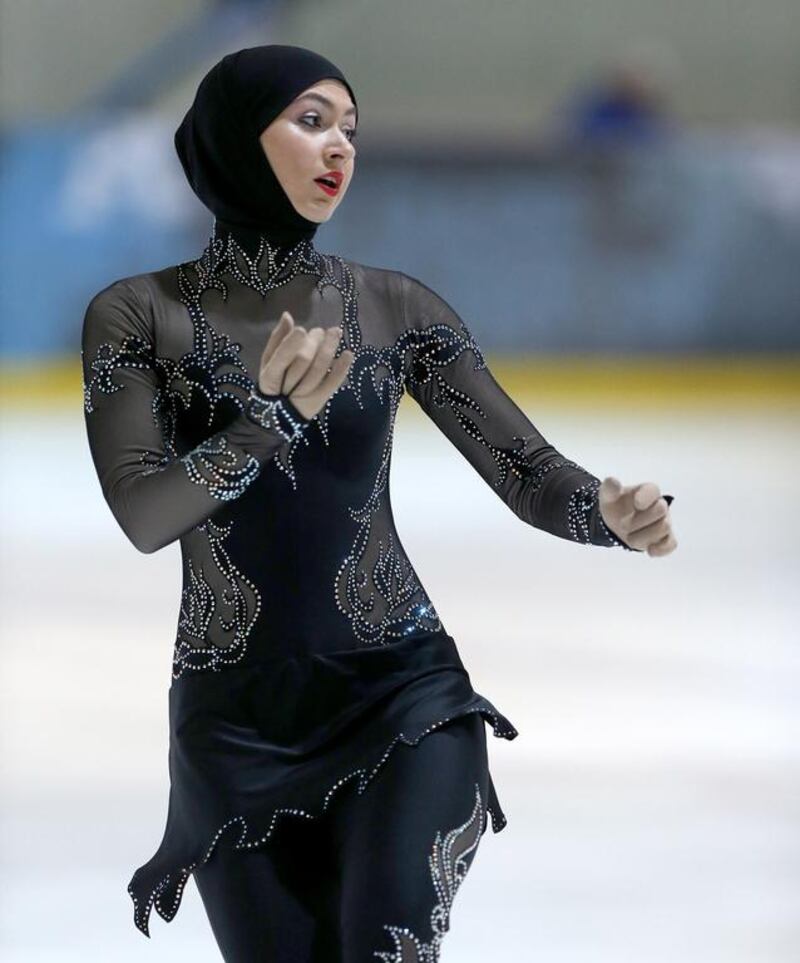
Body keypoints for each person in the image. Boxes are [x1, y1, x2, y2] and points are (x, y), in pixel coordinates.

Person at [81, 44, 677, 962]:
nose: (339, 150)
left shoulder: (393, 308)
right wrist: (267, 419)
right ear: (238, 137)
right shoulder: (138, 316)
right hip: (232, 727)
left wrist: (606, 512)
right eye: (311, 121)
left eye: (350, 130)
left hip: (403, 698)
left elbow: (527, 471)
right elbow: (144, 515)